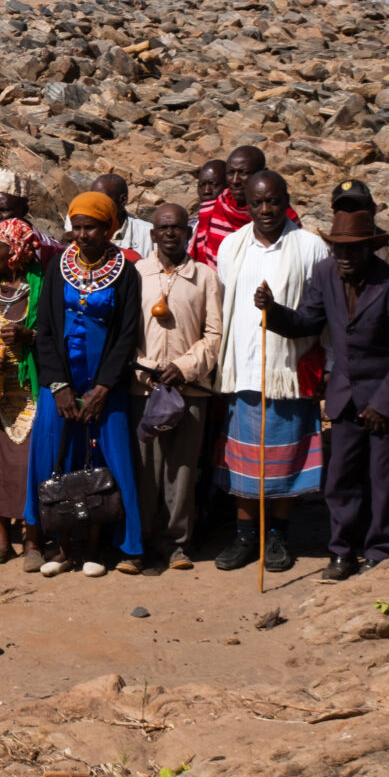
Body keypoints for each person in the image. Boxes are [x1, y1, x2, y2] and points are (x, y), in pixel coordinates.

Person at [254, 205, 389, 580]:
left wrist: (383, 404)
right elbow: (308, 321)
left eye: (352, 250)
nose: (344, 257)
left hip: (388, 404)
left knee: (386, 483)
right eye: (338, 248)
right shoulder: (325, 274)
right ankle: (342, 552)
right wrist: (274, 312)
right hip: (344, 396)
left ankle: (382, 553)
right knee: (341, 480)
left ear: (371, 248)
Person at [211, 170, 326, 574]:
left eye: (273, 201)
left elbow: (319, 311)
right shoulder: (231, 246)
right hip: (243, 368)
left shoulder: (310, 246)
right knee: (244, 461)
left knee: (285, 459)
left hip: (287, 371)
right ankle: (245, 537)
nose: (265, 210)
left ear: (286, 200)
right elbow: (224, 300)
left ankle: (277, 535)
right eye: (256, 202)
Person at [38, 192, 148, 574]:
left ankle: (101, 549)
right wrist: (59, 387)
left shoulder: (126, 272)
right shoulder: (56, 268)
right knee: (58, 455)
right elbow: (46, 330)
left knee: (107, 458)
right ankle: (59, 543)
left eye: (91, 228)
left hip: (105, 385)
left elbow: (126, 335)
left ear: (109, 229)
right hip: (61, 383)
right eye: (77, 227)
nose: (82, 235)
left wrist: (102, 389)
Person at [131, 202, 220, 571]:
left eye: (177, 227)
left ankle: (176, 543)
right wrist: (147, 369)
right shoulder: (136, 274)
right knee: (145, 467)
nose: (170, 233)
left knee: (181, 468)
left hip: (189, 388)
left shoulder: (205, 277)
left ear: (189, 232)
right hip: (145, 387)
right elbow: (125, 334)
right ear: (153, 234)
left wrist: (184, 368)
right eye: (163, 228)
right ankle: (142, 542)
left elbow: (214, 334)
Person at [0, 219, 49, 567]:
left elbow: (52, 332)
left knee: (29, 467)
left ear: (14, 251)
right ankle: (2, 540)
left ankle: (32, 541)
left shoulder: (41, 287)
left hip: (30, 390)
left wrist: (29, 337)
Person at [190, 147, 261, 268]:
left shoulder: (277, 215)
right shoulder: (208, 213)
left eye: (243, 173)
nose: (235, 181)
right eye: (231, 173)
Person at [95, 173, 152, 259]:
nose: (94, 205)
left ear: (123, 200)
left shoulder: (149, 235)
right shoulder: (82, 231)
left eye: (103, 200)